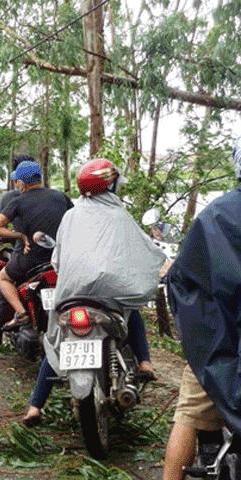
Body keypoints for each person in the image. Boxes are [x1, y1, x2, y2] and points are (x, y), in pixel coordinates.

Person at [24, 158, 166, 426]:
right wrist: (161, 262)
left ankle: (34, 406)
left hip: (72, 295)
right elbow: (142, 248)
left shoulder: (71, 215)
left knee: (57, 342)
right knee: (130, 306)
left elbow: (58, 258)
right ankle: (145, 362)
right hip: (107, 296)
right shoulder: (119, 215)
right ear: (111, 185)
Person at [162, 139, 241, 480]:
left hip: (222, 349)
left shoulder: (215, 216)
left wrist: (211, 350)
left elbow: (188, 285)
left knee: (189, 414)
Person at [0, 160, 74, 341]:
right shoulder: (60, 197)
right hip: (61, 259)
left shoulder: (18, 201)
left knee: (3, 278)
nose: (16, 184)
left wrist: (19, 236)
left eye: (16, 181)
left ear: (22, 183)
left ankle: (21, 314)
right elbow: (75, 220)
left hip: (31, 259)